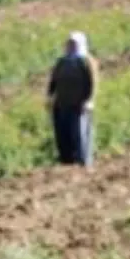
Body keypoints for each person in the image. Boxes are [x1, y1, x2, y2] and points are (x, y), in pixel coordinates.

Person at [48, 31, 98, 167]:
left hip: (79, 105)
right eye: (69, 44)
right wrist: (50, 97)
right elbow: (53, 81)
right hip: (61, 104)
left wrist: (89, 100)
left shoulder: (86, 61)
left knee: (80, 135)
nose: (71, 47)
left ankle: (83, 162)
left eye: (74, 44)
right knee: (63, 134)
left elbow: (92, 82)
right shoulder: (62, 61)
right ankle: (66, 161)